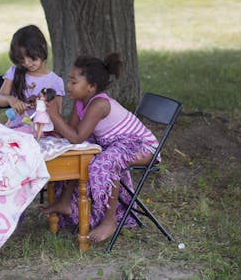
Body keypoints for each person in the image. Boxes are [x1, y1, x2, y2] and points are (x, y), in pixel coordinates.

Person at [39, 53, 159, 242]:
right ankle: (64, 202)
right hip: (115, 145)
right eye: (69, 81)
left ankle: (109, 221)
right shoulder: (81, 102)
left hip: (140, 146)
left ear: (91, 87)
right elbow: (69, 133)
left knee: (104, 163)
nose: (68, 86)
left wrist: (54, 115)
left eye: (73, 82)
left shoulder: (99, 104)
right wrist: (50, 127)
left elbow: (77, 137)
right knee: (76, 155)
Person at [0, 25, 64, 128]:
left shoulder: (55, 81)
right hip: (14, 131)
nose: (27, 63)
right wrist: (10, 99)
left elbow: (57, 117)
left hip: (41, 133)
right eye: (22, 60)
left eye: (32, 58)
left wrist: (43, 106)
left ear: (42, 48)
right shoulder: (15, 71)